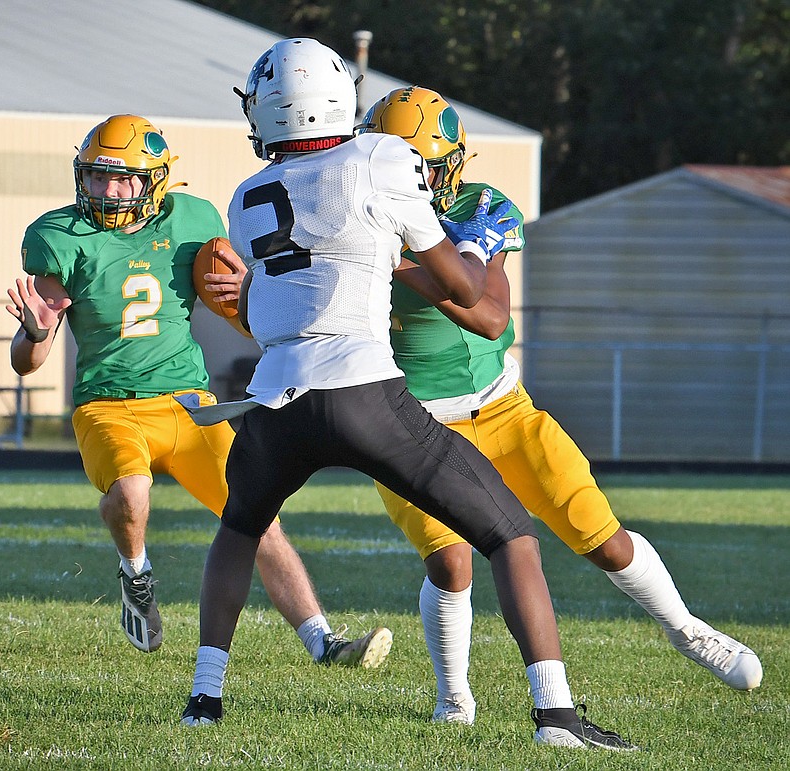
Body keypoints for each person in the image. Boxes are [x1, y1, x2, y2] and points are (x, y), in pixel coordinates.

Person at [178, 38, 635, 751]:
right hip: (362, 390)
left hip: (272, 400)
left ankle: (205, 699)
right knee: (511, 534)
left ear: (270, 111)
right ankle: (556, 716)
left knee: (239, 530)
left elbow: (268, 306)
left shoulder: (244, 198)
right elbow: (462, 289)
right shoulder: (380, 157)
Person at [359, 85, 763, 725]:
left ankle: (687, 629)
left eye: (422, 164)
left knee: (604, 538)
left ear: (450, 165)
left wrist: (403, 268)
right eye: (396, 162)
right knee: (451, 558)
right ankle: (454, 698)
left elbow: (489, 316)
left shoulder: (478, 207)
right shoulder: (356, 219)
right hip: (412, 420)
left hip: (502, 409)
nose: (410, 177)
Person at [5, 114, 391, 666]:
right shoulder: (59, 235)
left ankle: (322, 643)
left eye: (122, 179)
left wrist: (248, 291)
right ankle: (135, 575)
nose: (107, 191)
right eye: (96, 177)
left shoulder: (193, 221)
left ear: (155, 180)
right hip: (109, 406)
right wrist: (37, 334)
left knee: (259, 518)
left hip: (190, 405)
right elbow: (27, 360)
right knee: (132, 493)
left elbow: (244, 310)